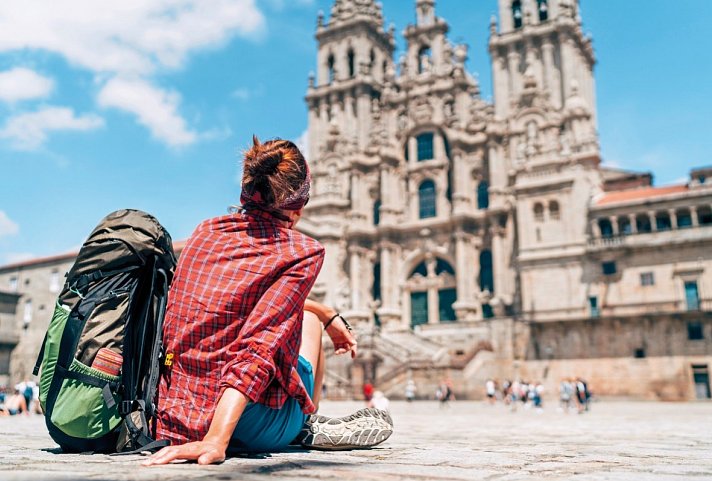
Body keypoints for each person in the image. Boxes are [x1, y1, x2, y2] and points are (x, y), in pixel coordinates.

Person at [143, 137, 392, 467]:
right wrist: (216, 440)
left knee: (311, 315)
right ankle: (304, 421)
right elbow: (256, 349)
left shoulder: (205, 231)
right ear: (299, 207)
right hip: (242, 424)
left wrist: (324, 308)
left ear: (245, 191)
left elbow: (231, 307)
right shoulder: (301, 252)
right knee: (310, 324)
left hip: (173, 411)